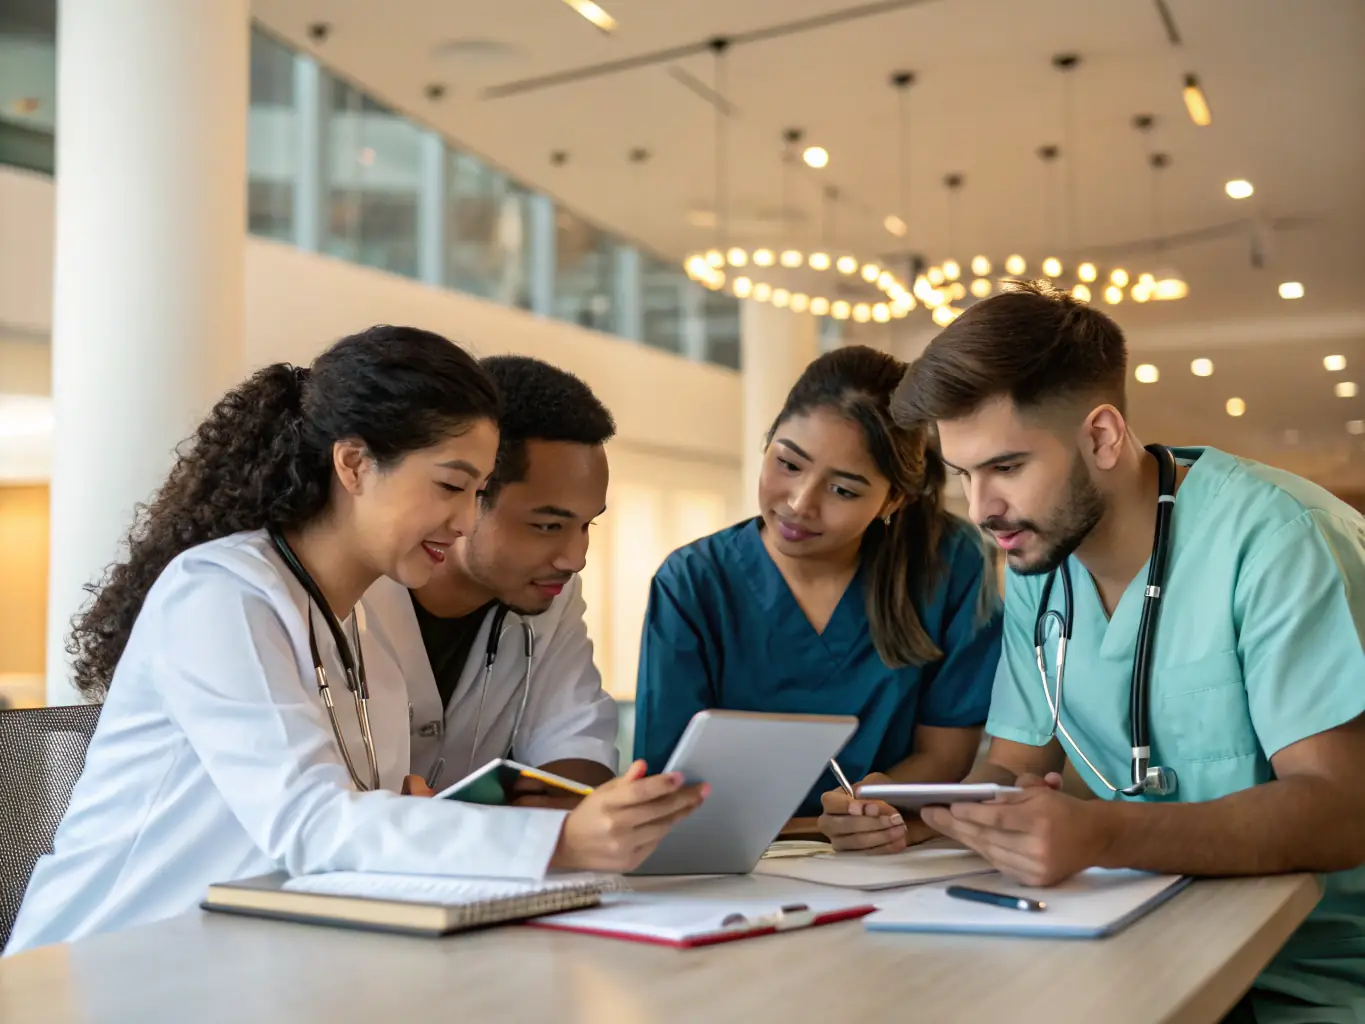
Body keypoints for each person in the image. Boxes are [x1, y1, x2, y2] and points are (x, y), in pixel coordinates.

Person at [5, 327, 704, 955]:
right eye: (450, 487)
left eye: (479, 493)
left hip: (254, 959)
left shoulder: (359, 621)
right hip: (105, 965)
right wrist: (562, 840)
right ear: (354, 465)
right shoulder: (221, 594)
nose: (464, 522)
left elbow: (362, 820)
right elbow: (309, 823)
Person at [888, 279, 1365, 1022]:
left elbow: (1342, 812)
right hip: (1125, 951)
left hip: (1306, 980)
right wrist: (920, 814)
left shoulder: (1275, 540)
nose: (981, 510)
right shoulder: (1036, 564)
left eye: (1007, 468)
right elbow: (1014, 766)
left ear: (1101, 437)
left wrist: (1106, 832)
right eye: (964, 475)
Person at [633, 345, 1001, 841]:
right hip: (725, 862)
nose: (800, 504)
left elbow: (947, 753)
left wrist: (872, 807)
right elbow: (666, 785)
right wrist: (819, 830)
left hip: (889, 851)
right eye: (788, 463)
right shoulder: (693, 583)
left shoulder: (948, 562)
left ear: (893, 499)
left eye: (844, 491)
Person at [362, 355, 618, 798]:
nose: (576, 558)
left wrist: (558, 805)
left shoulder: (549, 596)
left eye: (587, 524)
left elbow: (577, 747)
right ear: (470, 493)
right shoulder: (356, 593)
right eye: (548, 526)